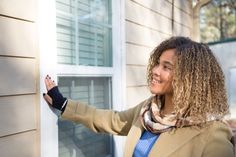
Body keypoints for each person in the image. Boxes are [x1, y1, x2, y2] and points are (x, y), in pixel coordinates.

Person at [43, 36, 234, 157]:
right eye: (158, 63)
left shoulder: (211, 134)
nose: (155, 71)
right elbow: (112, 120)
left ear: (189, 78)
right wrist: (63, 103)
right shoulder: (148, 110)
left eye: (166, 67)